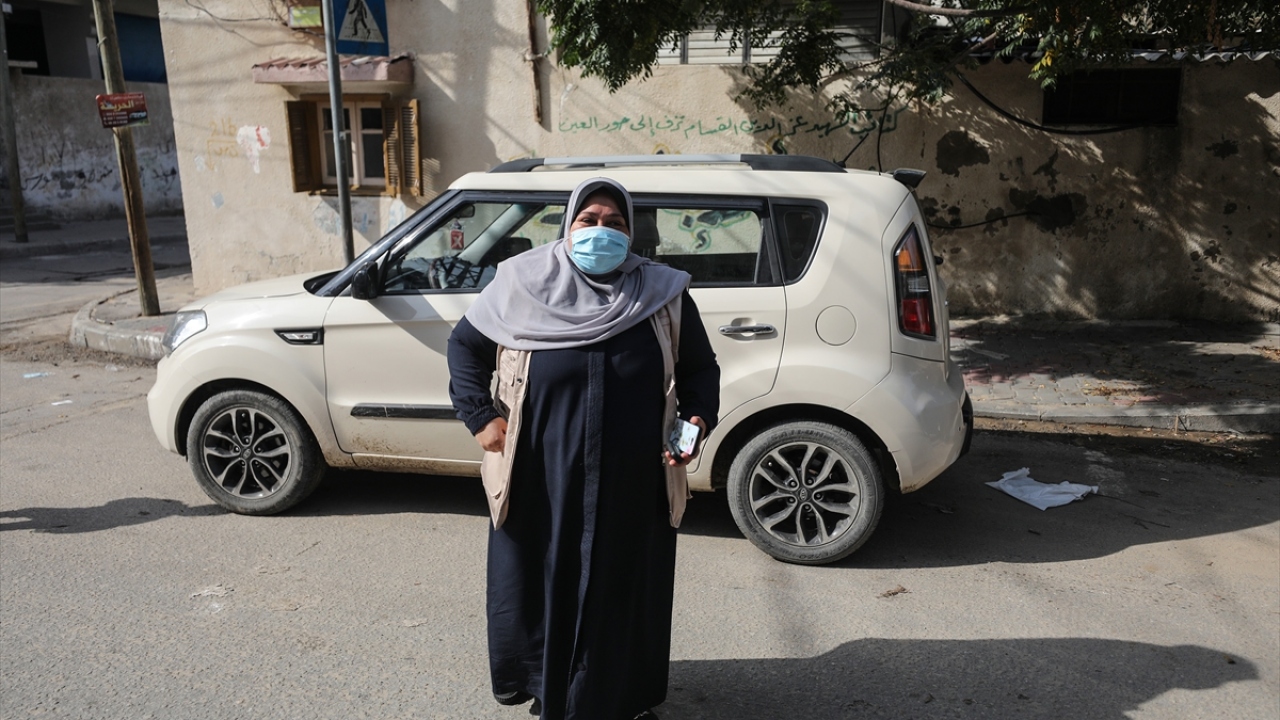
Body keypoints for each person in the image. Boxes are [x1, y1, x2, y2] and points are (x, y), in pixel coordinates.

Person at [447, 177, 720, 720]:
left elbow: (699, 371)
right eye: (588, 221)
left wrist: (690, 430)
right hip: (539, 475)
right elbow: (465, 346)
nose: (601, 232)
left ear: (632, 232)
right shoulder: (521, 283)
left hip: (633, 479)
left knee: (622, 587)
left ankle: (620, 698)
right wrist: (482, 418)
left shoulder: (661, 293)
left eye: (615, 223)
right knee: (542, 582)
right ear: (567, 226)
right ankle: (553, 693)